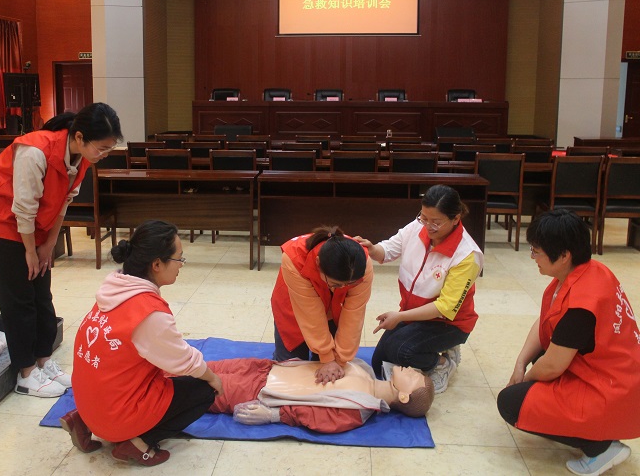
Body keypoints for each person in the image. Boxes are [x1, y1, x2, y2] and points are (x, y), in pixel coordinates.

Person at [0, 102, 123, 398]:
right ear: (80, 137)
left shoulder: (82, 158)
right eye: (102, 148)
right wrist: (30, 251)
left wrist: (47, 246)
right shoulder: (35, 151)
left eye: (109, 149)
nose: (104, 155)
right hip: (4, 224)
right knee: (19, 300)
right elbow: (23, 207)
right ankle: (25, 373)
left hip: (36, 227)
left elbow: (63, 203)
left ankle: (44, 361)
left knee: (42, 295)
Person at [61, 220, 224, 466]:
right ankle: (137, 444)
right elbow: (184, 361)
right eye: (179, 258)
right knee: (203, 391)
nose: (181, 265)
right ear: (157, 264)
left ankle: (82, 421)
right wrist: (212, 378)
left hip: (87, 403)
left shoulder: (114, 289)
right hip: (114, 415)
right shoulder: (148, 312)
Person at [497, 209, 640, 476]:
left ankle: (601, 447)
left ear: (564, 256)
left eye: (536, 251)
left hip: (613, 391)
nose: (532, 257)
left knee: (511, 403)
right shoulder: (589, 271)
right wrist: (520, 363)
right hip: (614, 374)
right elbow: (546, 322)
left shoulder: (582, 306)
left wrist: (525, 380)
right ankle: (588, 429)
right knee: (538, 360)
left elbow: (552, 366)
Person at [356, 184, 483, 394]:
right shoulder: (417, 227)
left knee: (401, 351)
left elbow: (444, 307)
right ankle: (427, 346)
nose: (428, 226)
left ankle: (443, 363)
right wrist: (372, 249)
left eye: (436, 222)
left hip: (448, 323)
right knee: (380, 364)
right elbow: (388, 250)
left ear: (456, 218)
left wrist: (400, 316)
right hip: (414, 314)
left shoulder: (467, 255)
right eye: (424, 217)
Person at [207, 358, 434, 433]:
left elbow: (317, 417)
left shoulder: (359, 409)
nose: (412, 370)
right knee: (200, 367)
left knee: (196, 389)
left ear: (404, 397)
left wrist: (273, 414)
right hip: (266, 367)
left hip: (259, 392)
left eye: (414, 377)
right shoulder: (363, 369)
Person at [270, 226, 374, 386]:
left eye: (349, 284)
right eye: (336, 284)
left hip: (334, 308)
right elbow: (310, 314)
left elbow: (354, 315)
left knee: (331, 374)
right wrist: (326, 356)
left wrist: (339, 360)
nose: (343, 288)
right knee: (290, 371)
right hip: (294, 309)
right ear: (318, 263)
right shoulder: (294, 258)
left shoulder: (363, 265)